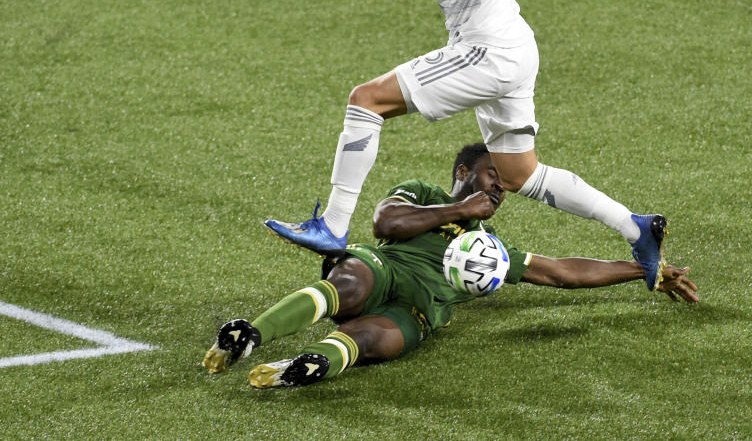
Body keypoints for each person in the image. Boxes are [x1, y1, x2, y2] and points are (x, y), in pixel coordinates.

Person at [265, 0, 669, 292]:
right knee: (520, 175)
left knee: (366, 100)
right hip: (511, 49)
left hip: (487, 51)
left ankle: (333, 224)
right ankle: (635, 228)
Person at [208, 143, 699, 388]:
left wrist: (644, 273)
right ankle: (251, 334)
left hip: (423, 308)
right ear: (463, 173)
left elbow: (558, 271)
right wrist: (461, 212)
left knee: (376, 339)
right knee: (352, 280)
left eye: (504, 184)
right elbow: (386, 223)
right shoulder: (427, 195)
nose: (500, 187)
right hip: (387, 266)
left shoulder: (491, 249)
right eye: (492, 175)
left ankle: (307, 365)